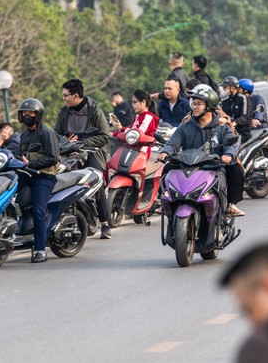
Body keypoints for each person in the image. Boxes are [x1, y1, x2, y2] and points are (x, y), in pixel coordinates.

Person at [157, 85, 245, 217]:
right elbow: (173, 142)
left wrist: (227, 154)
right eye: (194, 103)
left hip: (214, 167)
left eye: (199, 104)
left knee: (236, 169)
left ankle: (229, 205)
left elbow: (231, 144)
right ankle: (163, 201)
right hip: (188, 166)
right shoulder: (185, 126)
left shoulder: (222, 127)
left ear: (209, 106)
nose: (195, 107)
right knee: (167, 168)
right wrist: (166, 151)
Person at [55, 78, 113, 239]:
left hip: (91, 152)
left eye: (66, 95)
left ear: (76, 95)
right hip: (68, 153)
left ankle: (105, 223)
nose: (64, 98)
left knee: (97, 182)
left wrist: (82, 142)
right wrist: (66, 142)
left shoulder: (95, 111)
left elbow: (104, 136)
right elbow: (56, 134)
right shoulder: (64, 112)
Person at [17, 98, 60, 263]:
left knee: (38, 211)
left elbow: (53, 157)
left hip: (44, 177)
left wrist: (32, 163)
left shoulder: (47, 133)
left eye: (31, 113)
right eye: (24, 113)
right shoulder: (24, 135)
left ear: (38, 115)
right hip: (27, 174)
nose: (27, 115)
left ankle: (41, 249)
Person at [111, 89, 160, 158]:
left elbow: (136, 136)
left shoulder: (148, 117)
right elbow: (131, 132)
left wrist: (114, 134)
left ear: (143, 102)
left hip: (141, 153)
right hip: (132, 150)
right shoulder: (138, 116)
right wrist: (119, 127)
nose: (133, 105)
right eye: (132, 103)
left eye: (135, 102)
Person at [220, 75, 253, 142]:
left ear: (232, 88)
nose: (223, 90)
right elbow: (222, 115)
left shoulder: (243, 98)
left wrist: (234, 123)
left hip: (242, 132)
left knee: (231, 143)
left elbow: (246, 116)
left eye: (225, 87)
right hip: (227, 131)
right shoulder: (224, 101)